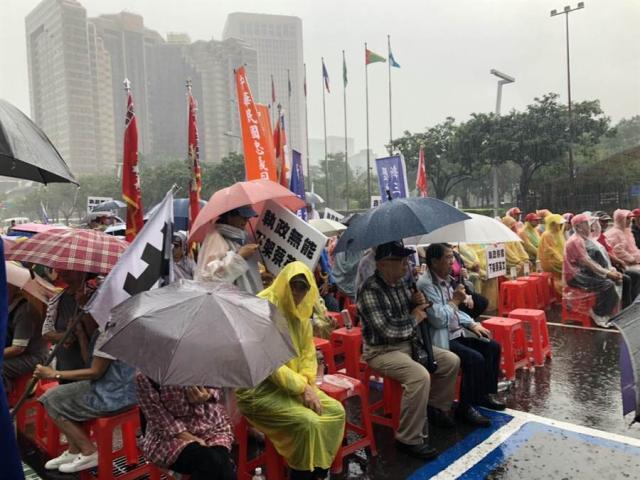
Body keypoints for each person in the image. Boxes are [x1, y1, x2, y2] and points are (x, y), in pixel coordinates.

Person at [236, 262, 345, 480]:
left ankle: (319, 470)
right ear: (285, 284)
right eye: (293, 287)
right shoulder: (263, 307)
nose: (297, 293)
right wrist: (302, 387)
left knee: (336, 412)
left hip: (294, 387)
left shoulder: (302, 308)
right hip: (258, 391)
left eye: (302, 288)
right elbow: (270, 363)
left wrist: (306, 382)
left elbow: (307, 353)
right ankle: (301, 474)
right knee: (308, 423)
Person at [357, 241, 460, 460]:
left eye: (406, 260)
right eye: (401, 261)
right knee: (419, 376)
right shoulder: (370, 290)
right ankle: (408, 438)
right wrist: (414, 318)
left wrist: (416, 302)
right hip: (382, 350)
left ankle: (434, 408)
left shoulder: (403, 283)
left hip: (408, 343)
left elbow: (412, 312)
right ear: (384, 264)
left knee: (451, 361)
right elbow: (386, 329)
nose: (407, 265)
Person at [34, 317, 137, 473]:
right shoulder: (101, 330)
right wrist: (82, 335)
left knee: (51, 398)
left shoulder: (109, 332)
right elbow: (89, 363)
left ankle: (88, 451)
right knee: (58, 396)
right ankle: (74, 450)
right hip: (114, 388)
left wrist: (54, 374)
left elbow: (95, 372)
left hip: (113, 395)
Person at [418, 244, 504, 427]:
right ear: (434, 261)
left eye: (453, 257)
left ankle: (484, 394)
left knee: (492, 346)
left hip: (456, 332)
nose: (453, 262)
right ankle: (466, 407)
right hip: (442, 338)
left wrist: (472, 323)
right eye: (448, 258)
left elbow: (456, 312)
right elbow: (438, 320)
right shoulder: (425, 285)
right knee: (475, 359)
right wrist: (455, 300)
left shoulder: (448, 280)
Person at [136, 374, 235, 480]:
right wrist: (195, 440)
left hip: (211, 427)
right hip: (170, 437)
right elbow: (162, 421)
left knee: (225, 470)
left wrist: (207, 395)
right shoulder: (147, 376)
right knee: (210, 462)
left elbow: (216, 389)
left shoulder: (201, 362)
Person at [564, 214, 622, 326]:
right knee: (608, 284)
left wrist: (609, 271)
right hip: (574, 277)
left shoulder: (583, 239)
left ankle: (610, 312)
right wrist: (608, 274)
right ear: (578, 226)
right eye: (586, 224)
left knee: (614, 281)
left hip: (582, 273)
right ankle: (599, 314)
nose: (590, 226)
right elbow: (588, 262)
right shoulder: (576, 241)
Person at [195, 205, 263, 294]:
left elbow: (241, 277)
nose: (246, 220)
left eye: (248, 217)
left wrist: (258, 277)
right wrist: (239, 257)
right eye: (242, 216)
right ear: (229, 216)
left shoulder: (240, 239)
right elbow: (208, 279)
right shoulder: (215, 239)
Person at [41, 270, 96, 376]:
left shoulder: (95, 296)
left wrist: (85, 306)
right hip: (63, 366)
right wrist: (66, 335)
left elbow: (97, 334)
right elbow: (46, 333)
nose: (62, 271)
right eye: (61, 268)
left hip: (86, 369)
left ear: (82, 272)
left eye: (70, 269)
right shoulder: (57, 299)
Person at [3, 285, 48, 393]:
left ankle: (6, 400)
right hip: (14, 352)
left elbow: (18, 348)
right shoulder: (7, 307)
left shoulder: (25, 311)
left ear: (14, 289)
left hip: (33, 357)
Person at [538, 214, 566, 296]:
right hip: (550, 262)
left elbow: (563, 248)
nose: (561, 226)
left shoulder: (559, 234)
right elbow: (551, 251)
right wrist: (562, 260)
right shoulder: (547, 235)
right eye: (559, 224)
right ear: (553, 224)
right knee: (557, 280)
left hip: (559, 260)